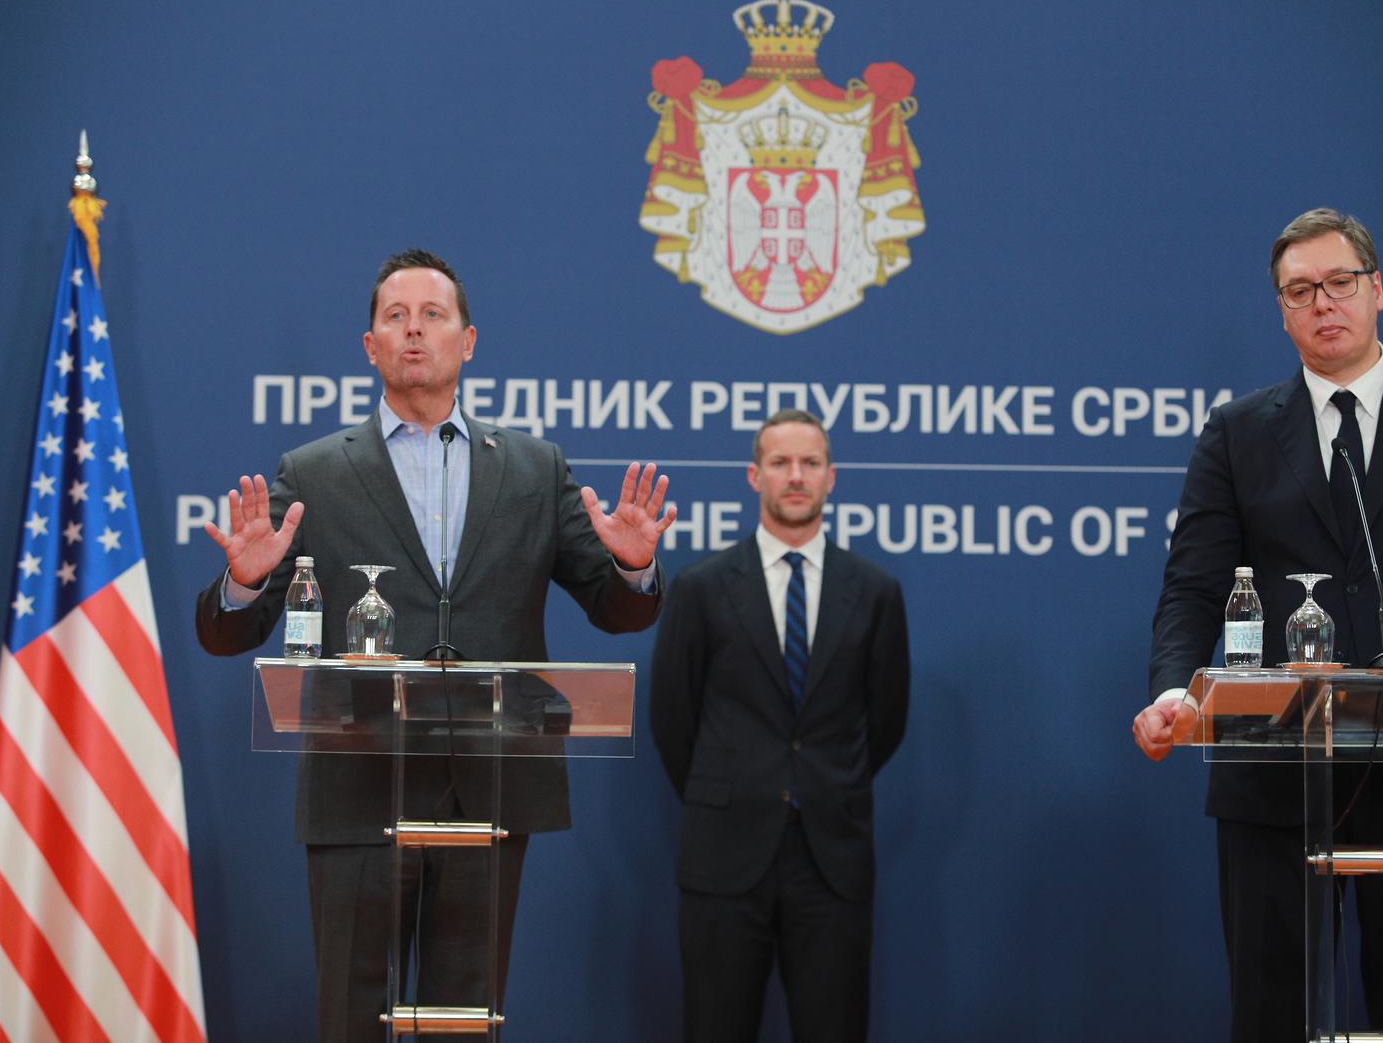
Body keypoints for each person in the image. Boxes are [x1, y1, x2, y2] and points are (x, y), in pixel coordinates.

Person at [194, 248, 676, 1042]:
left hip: (484, 789)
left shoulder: (532, 467)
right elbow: (227, 634)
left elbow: (618, 611)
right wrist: (244, 583)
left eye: (433, 316)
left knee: (462, 1023)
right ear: (370, 346)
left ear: (469, 340)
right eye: (396, 317)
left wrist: (633, 562)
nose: (414, 331)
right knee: (352, 1022)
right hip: (357, 790)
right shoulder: (311, 471)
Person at [1130, 209, 1383, 1042]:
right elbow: (1191, 587)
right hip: (1279, 775)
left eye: (1339, 283)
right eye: (1300, 290)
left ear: (1377, 289)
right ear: (1281, 311)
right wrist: (1174, 688)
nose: (1324, 303)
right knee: (1272, 1014)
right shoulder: (1238, 433)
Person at [649, 408, 909, 1043]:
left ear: (831, 477)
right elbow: (672, 719)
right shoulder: (700, 589)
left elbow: (887, 721)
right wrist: (737, 791)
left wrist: (824, 784)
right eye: (781, 463)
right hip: (723, 859)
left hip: (832, 861)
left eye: (810, 463)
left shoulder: (875, 591)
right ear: (753, 476)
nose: (796, 476)